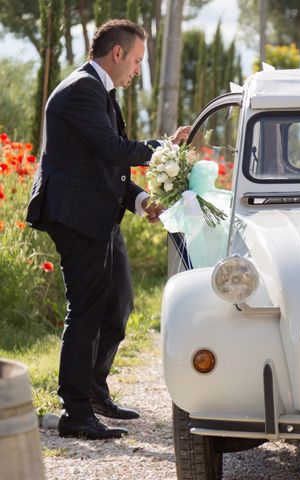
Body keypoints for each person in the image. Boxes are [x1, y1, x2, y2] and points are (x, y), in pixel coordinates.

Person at [25, 19, 190, 440]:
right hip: (76, 216)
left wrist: (139, 201)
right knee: (87, 310)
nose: (137, 69)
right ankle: (75, 412)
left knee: (118, 303)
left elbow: (107, 166)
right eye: (136, 60)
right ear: (117, 53)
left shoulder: (100, 92)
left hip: (98, 213)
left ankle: (95, 390)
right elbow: (115, 150)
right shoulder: (81, 89)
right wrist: (168, 149)